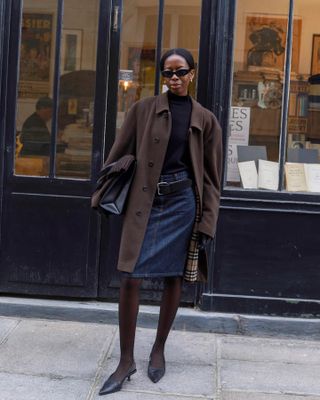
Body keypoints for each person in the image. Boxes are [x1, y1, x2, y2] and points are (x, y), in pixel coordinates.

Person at [98, 48, 222, 396]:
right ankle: (125, 361)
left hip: (184, 204)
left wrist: (207, 221)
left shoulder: (206, 120)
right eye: (168, 73)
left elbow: (212, 178)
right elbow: (118, 152)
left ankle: (158, 350)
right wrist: (110, 182)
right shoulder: (142, 110)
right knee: (129, 277)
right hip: (145, 203)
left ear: (192, 74)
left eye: (181, 72)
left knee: (173, 278)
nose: (174, 79)